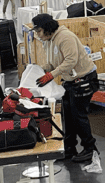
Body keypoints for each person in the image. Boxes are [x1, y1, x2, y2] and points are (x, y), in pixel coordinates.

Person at [32, 14, 100, 163]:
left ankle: (90, 149)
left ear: (47, 28)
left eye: (39, 31)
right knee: (67, 116)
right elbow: (54, 63)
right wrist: (39, 70)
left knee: (78, 116)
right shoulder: (50, 40)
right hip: (71, 81)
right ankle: (69, 149)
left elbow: (71, 60)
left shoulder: (65, 37)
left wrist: (51, 75)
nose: (38, 35)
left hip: (84, 79)